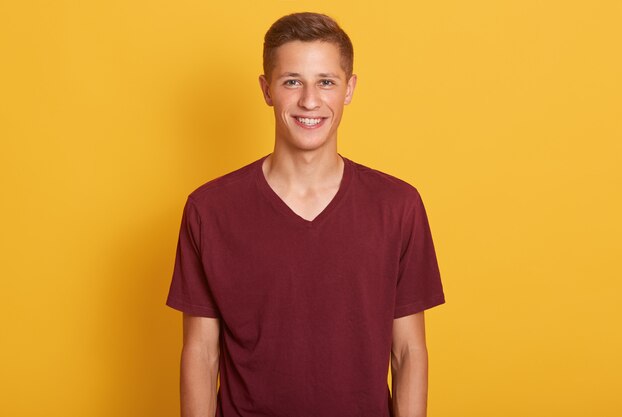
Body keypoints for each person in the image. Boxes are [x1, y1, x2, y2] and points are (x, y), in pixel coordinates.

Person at [166, 12, 445, 417]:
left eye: (326, 82)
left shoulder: (397, 205)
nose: (309, 101)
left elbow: (407, 351)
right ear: (267, 89)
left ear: (349, 89)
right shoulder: (210, 211)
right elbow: (200, 353)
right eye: (292, 81)